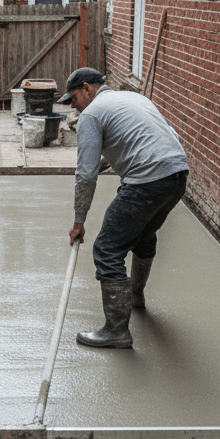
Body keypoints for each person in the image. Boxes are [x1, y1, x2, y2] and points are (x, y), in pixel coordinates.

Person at [57, 67, 189, 348]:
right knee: (143, 235)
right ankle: (136, 297)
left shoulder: (91, 114)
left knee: (107, 248)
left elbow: (85, 175)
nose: (73, 106)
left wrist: (79, 221)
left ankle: (116, 331)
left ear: (87, 88)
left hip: (148, 180)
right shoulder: (135, 99)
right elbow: (164, 137)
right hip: (177, 175)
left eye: (74, 99)